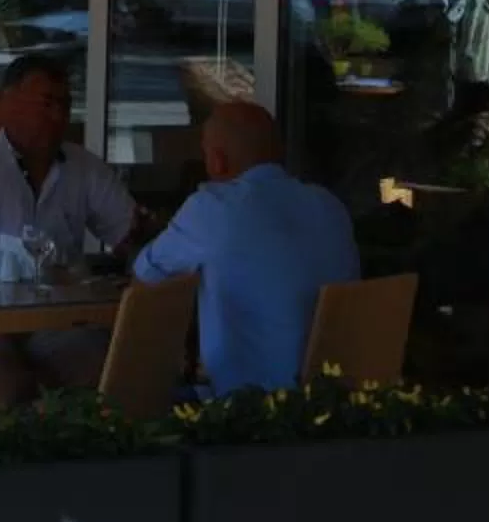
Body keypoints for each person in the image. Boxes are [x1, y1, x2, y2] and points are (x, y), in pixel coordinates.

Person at [0, 55, 137, 403]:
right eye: (45, 104)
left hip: (50, 317)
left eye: (64, 104)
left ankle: (82, 456)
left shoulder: (84, 167)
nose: (57, 116)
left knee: (101, 371)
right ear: (9, 103)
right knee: (5, 383)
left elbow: (131, 237)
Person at [133, 102, 360, 398]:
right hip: (331, 404)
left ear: (217, 161)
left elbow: (144, 284)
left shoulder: (213, 208)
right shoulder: (330, 207)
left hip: (243, 411)